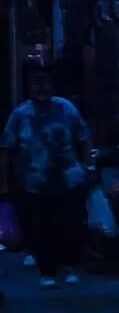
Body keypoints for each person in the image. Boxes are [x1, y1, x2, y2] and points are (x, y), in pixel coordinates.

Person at [2, 57, 92, 286]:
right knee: (40, 227)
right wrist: (13, 178)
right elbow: (9, 148)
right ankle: (47, 271)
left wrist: (87, 166)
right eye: (36, 85)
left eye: (46, 84)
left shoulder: (66, 108)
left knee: (69, 224)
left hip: (68, 177)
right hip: (34, 180)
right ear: (29, 88)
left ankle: (69, 265)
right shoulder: (20, 115)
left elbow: (83, 137)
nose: (42, 89)